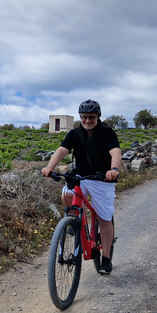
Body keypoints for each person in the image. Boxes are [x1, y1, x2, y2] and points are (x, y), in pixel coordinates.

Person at [42, 99, 122, 274]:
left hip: (102, 179)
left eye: (91, 117)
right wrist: (50, 167)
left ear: (98, 117)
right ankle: (75, 223)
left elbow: (115, 151)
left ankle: (106, 259)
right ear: (80, 117)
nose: (87, 120)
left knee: (104, 218)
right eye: (84, 117)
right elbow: (62, 150)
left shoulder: (107, 132)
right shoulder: (75, 134)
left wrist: (114, 169)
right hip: (82, 176)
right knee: (66, 195)